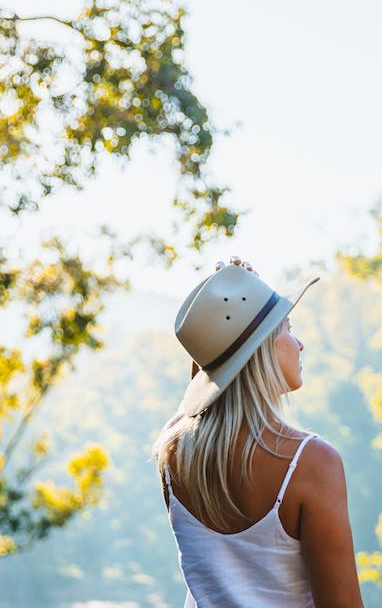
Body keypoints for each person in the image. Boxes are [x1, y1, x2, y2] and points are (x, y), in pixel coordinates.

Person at [152, 256, 365, 608]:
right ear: (261, 347)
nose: (299, 344)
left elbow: (200, 398)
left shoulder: (173, 452)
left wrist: (223, 318)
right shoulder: (310, 462)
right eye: (288, 329)